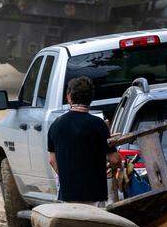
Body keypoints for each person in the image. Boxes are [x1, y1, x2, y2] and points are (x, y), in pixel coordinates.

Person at [48, 76, 121, 204]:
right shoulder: (99, 124)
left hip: (68, 194)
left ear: (69, 97)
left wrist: (67, 178)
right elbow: (114, 159)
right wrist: (117, 168)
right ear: (90, 99)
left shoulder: (56, 125)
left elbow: (52, 160)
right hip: (95, 193)